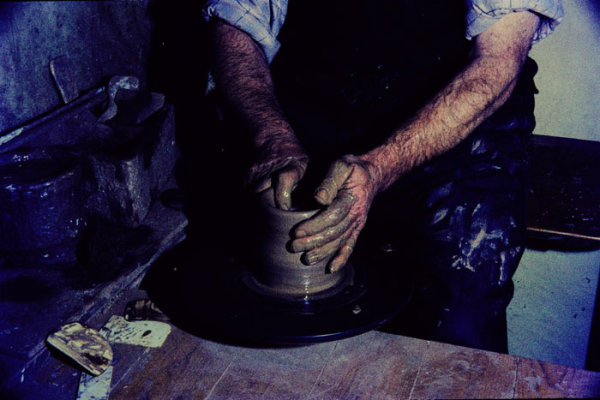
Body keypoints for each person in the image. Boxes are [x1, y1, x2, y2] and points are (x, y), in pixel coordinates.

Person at [202, 0, 564, 352]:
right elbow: (235, 22)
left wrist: (379, 167)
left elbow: (497, 62)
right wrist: (271, 138)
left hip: (458, 122)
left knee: (458, 326)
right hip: (307, 121)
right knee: (246, 313)